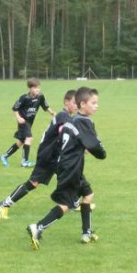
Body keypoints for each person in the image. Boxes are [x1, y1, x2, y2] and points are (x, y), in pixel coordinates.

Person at [27, 86, 106, 249]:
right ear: (82, 104)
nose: (97, 105)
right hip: (71, 168)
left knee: (88, 195)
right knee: (67, 204)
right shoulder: (84, 121)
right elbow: (98, 150)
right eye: (93, 103)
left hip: (69, 165)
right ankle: (38, 227)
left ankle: (87, 233)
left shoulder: (75, 119)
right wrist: (99, 148)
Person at [0, 90, 78, 219]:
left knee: (70, 174)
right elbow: (63, 132)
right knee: (33, 183)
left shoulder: (66, 116)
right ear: (66, 102)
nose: (77, 105)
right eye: (74, 102)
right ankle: (3, 204)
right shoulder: (63, 116)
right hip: (48, 156)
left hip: (55, 155)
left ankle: (74, 202)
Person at [0, 78, 56, 167]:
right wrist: (18, 118)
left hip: (30, 123)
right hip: (23, 122)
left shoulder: (40, 96)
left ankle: (4, 156)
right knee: (29, 138)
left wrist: (52, 113)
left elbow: (45, 106)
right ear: (30, 88)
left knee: (21, 142)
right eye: (35, 88)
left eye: (38, 88)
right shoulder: (24, 98)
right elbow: (15, 109)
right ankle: (24, 161)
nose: (37, 90)